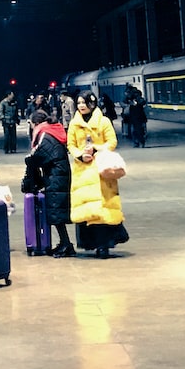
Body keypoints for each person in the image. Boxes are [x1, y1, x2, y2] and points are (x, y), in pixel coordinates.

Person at [68, 91, 124, 258]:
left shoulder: (104, 121)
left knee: (103, 208)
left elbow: (112, 142)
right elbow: (70, 145)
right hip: (82, 171)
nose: (81, 106)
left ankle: (104, 245)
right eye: (78, 103)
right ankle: (90, 243)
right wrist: (80, 155)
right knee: (87, 209)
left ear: (92, 103)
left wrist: (96, 149)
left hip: (101, 171)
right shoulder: (74, 124)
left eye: (84, 102)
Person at [22, 109, 74, 256]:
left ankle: (66, 245)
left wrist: (29, 160)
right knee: (55, 210)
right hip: (57, 174)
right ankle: (65, 243)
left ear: (35, 123)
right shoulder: (51, 130)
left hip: (56, 175)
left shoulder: (45, 133)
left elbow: (38, 154)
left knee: (56, 211)